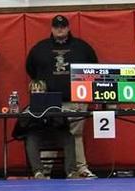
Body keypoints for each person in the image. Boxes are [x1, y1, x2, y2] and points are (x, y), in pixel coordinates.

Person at [24, 14, 98, 178]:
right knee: (47, 132)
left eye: (63, 26)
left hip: (76, 100)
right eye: (56, 27)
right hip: (48, 102)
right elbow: (31, 70)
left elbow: (94, 69)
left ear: (68, 28)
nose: (60, 29)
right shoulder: (40, 48)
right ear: (51, 28)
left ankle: (80, 169)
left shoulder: (82, 47)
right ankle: (44, 171)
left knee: (75, 135)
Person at [12, 79, 74, 179]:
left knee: (69, 137)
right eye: (34, 91)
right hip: (37, 136)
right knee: (30, 138)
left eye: (40, 90)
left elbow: (65, 126)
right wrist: (25, 117)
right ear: (30, 93)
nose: (38, 93)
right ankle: (38, 172)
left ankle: (71, 172)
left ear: (45, 92)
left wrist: (59, 115)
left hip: (54, 134)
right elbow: (19, 130)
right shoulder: (27, 109)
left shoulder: (55, 107)